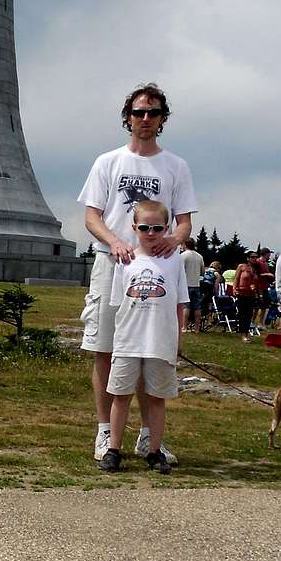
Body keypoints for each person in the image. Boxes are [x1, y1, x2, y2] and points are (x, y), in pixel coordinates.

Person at [78, 83, 196, 465]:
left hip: (156, 269)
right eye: (139, 112)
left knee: (152, 351)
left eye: (154, 112)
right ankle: (105, 432)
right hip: (113, 264)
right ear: (127, 116)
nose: (146, 119)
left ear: (163, 119)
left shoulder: (175, 166)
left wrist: (173, 241)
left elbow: (184, 222)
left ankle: (149, 437)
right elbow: (92, 216)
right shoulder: (108, 162)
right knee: (105, 349)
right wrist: (115, 241)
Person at [98, 199, 190, 475]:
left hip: (159, 341)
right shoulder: (125, 261)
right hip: (129, 339)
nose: (151, 233)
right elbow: (119, 303)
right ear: (134, 227)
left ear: (167, 228)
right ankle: (113, 448)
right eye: (144, 227)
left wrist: (178, 338)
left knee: (156, 397)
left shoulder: (174, 261)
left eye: (158, 228)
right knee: (120, 394)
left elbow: (179, 304)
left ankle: (154, 449)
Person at [232, 252, 262, 342]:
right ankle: (243, 333)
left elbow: (257, 283)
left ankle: (246, 332)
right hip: (241, 292)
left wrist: (259, 294)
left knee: (249, 314)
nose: (254, 259)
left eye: (256, 257)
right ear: (248, 258)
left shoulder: (256, 269)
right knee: (242, 314)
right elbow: (236, 278)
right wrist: (235, 288)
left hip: (251, 294)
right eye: (252, 257)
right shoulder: (242, 267)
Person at [181, 237, 204, 330]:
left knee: (186, 306)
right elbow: (202, 271)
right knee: (197, 307)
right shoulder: (199, 256)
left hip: (186, 284)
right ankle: (197, 328)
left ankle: (184, 326)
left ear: (185, 244)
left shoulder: (183, 255)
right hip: (196, 284)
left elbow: (179, 270)